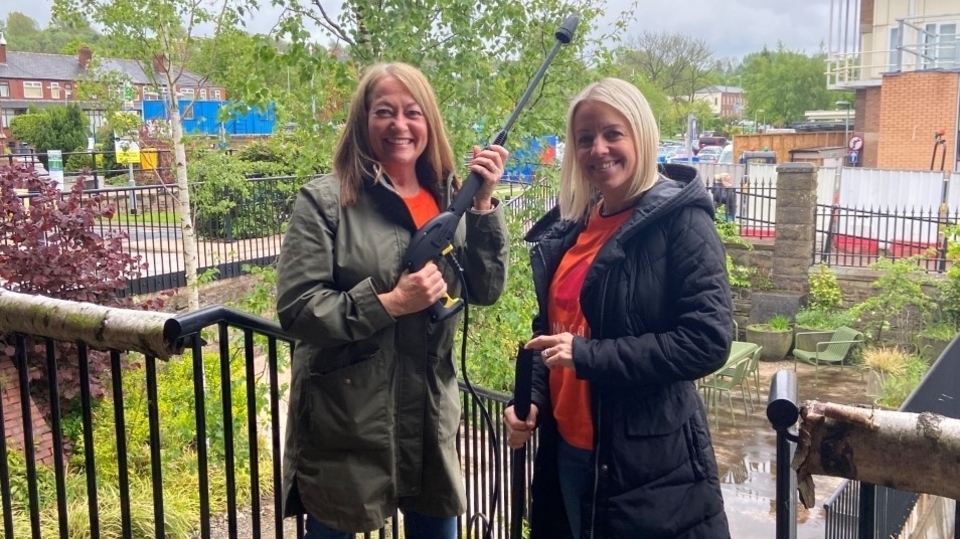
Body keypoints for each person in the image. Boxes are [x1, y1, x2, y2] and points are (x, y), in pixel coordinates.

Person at [276, 62, 510, 539]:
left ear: (429, 123)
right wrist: (390, 303)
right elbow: (298, 307)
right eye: (384, 111)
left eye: (412, 112)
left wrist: (484, 205)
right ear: (363, 122)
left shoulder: (452, 200)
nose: (400, 125)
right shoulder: (325, 201)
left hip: (428, 422)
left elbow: (485, 290)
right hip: (346, 426)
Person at [503, 77, 732, 538]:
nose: (598, 149)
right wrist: (530, 401)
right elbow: (552, 330)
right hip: (567, 448)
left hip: (644, 468)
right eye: (585, 139)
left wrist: (588, 356)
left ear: (641, 136)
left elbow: (707, 342)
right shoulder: (572, 228)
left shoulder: (681, 222)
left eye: (613, 133)